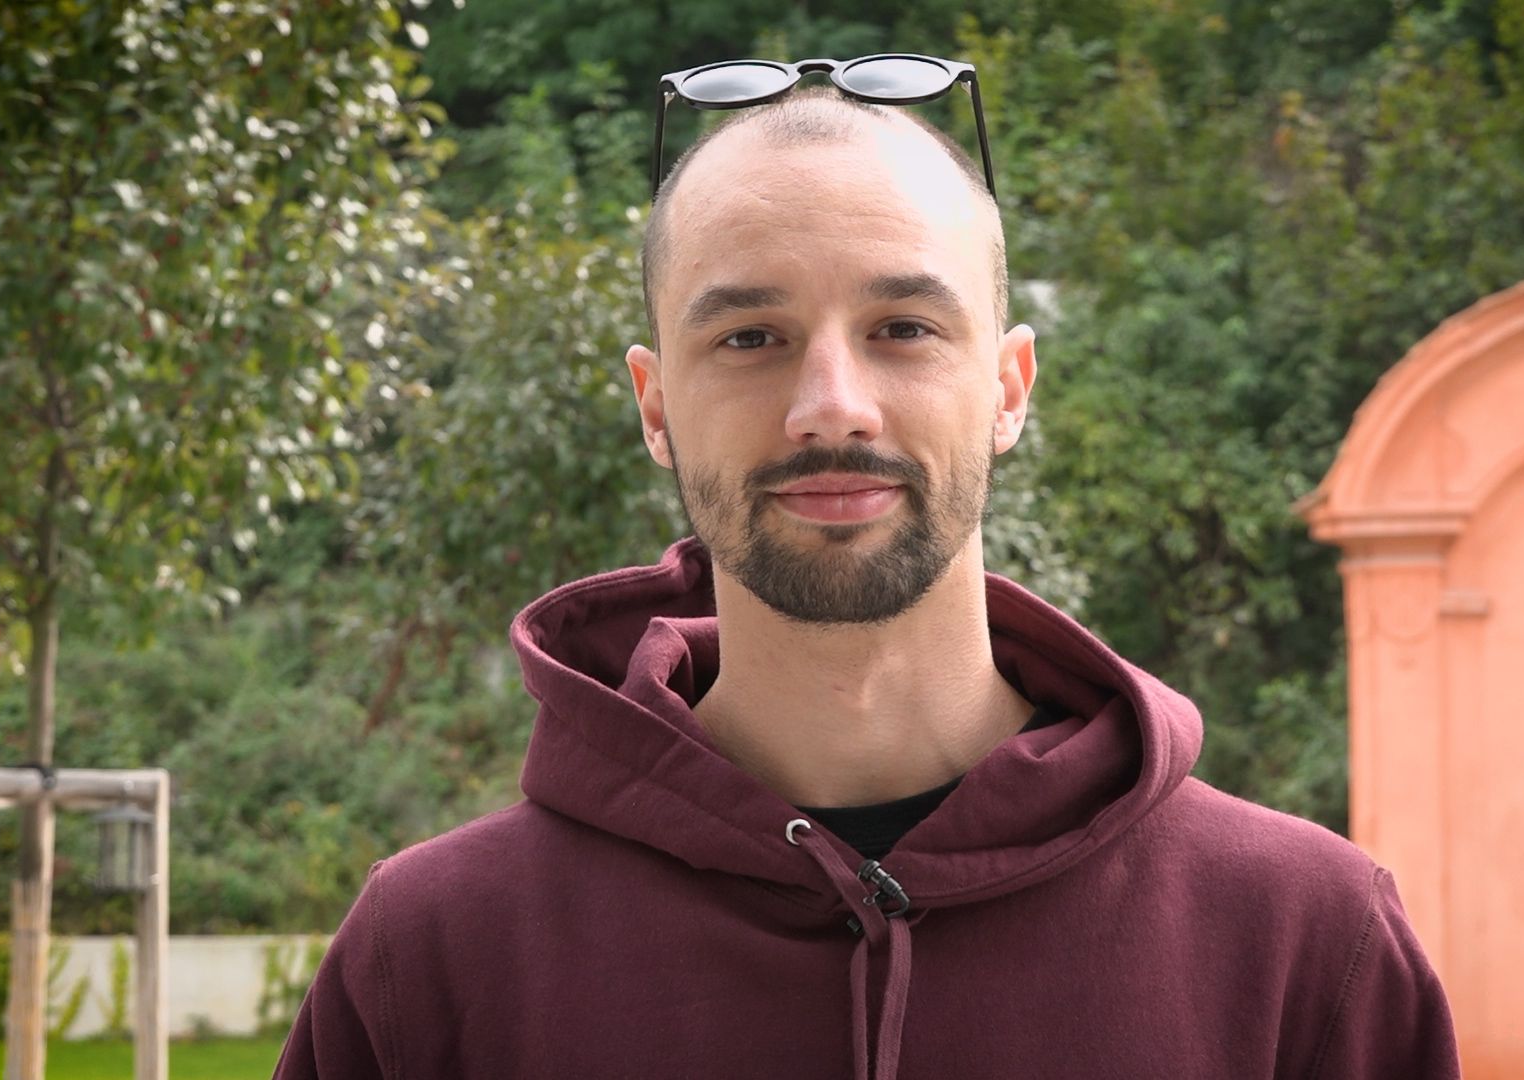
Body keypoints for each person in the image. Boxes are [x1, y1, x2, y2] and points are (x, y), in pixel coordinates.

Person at [275, 58, 1461, 1080]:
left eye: (903, 328)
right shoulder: (431, 959)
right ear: (655, 405)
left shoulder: (1305, 944)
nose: (830, 405)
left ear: (1008, 388)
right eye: (750, 337)